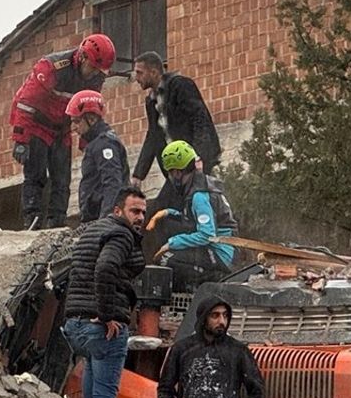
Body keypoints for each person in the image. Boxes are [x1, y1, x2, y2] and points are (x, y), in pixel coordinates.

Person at [61, 186, 147, 398]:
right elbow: (106, 267)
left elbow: (83, 269)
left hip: (75, 326)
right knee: (107, 394)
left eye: (143, 213)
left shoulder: (92, 231)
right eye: (135, 211)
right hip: (102, 326)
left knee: (91, 367)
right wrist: (108, 313)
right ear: (117, 211)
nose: (140, 218)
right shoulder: (121, 234)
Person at [10, 34, 116, 229]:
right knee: (36, 173)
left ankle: (56, 222)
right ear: (83, 57)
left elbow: (90, 111)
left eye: (98, 70)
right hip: (37, 125)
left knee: (62, 179)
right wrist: (21, 139)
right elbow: (25, 104)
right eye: (92, 68)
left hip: (62, 129)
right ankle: (32, 219)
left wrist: (88, 144)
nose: (94, 74)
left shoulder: (97, 76)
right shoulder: (52, 68)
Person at [148, 140, 238, 291]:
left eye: (171, 172)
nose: (171, 177)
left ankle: (206, 284)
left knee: (166, 259)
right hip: (221, 249)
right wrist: (168, 213)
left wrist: (172, 242)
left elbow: (206, 234)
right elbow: (193, 218)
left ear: (177, 172)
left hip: (220, 253)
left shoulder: (199, 196)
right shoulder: (201, 184)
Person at [130, 52, 221, 188]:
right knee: (165, 207)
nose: (136, 78)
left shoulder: (180, 86)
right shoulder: (151, 101)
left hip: (195, 164)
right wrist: (139, 174)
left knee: (199, 202)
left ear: (154, 72)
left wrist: (198, 157)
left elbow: (200, 120)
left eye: (139, 73)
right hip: (176, 168)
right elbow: (153, 136)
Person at [67, 90, 128, 223]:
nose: (73, 127)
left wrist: (106, 220)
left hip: (103, 220)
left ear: (92, 119)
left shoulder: (104, 144)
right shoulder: (96, 144)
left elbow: (112, 183)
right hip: (96, 218)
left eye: (77, 121)